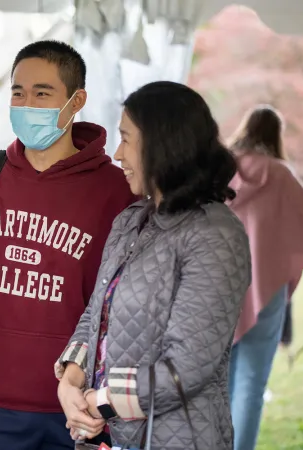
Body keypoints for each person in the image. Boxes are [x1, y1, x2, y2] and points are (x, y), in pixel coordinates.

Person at [0, 40, 136, 449]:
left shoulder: (116, 189)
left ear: (76, 100)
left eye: (42, 93)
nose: (27, 104)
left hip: (74, 402)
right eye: (17, 92)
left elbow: (127, 300)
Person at [57, 81, 252, 450]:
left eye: (126, 139)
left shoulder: (216, 235)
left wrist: (98, 402)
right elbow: (96, 314)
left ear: (163, 144)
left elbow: (187, 369)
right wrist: (69, 381)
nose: (117, 154)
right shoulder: (129, 221)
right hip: (110, 436)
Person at [225, 105, 303, 450]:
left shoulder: (220, 170)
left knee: (216, 382)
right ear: (275, 135)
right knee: (252, 385)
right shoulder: (282, 176)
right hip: (267, 290)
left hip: (218, 287)